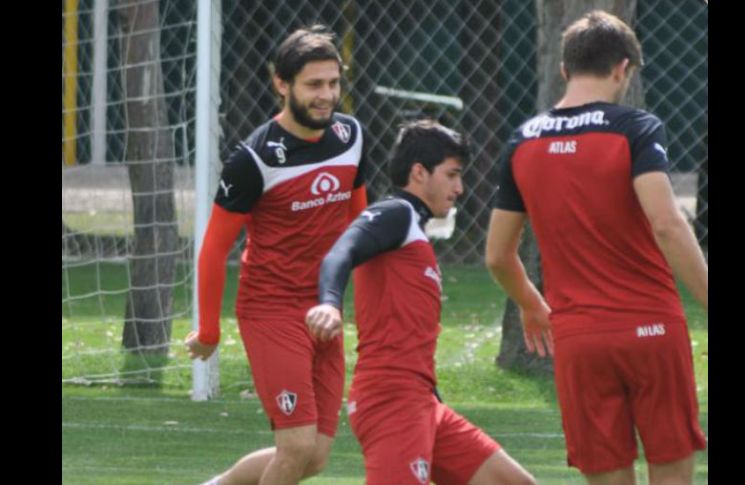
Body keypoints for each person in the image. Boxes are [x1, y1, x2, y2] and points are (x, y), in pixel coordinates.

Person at [485, 10, 707, 485]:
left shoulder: (521, 141)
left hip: (579, 340)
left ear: (564, 70)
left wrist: (530, 303)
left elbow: (497, 255)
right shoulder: (636, 128)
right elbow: (666, 224)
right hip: (650, 330)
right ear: (623, 68)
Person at [185, 25, 369, 485]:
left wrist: (361, 302)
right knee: (296, 446)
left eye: (333, 83)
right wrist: (208, 330)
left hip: (324, 311)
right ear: (282, 85)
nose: (327, 95)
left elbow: (357, 225)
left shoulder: (351, 137)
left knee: (316, 456)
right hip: (271, 310)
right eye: (314, 85)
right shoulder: (254, 158)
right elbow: (213, 251)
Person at [306, 120, 537, 485]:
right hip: (390, 399)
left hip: (422, 400)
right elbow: (341, 251)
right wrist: (329, 303)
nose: (460, 188)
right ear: (418, 172)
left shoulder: (413, 230)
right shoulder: (395, 212)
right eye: (451, 175)